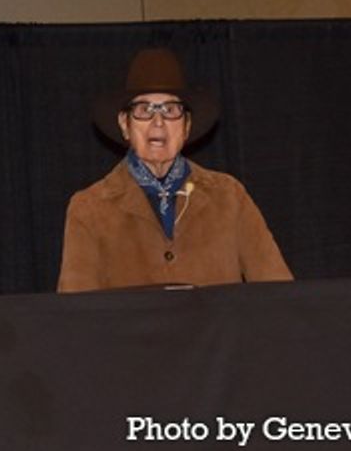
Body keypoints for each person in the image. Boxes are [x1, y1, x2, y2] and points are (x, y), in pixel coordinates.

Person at [57, 48, 292, 292]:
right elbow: (76, 317)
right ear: (124, 124)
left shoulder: (230, 197)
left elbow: (279, 297)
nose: (158, 122)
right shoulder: (89, 208)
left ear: (187, 126)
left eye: (170, 110)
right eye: (144, 110)